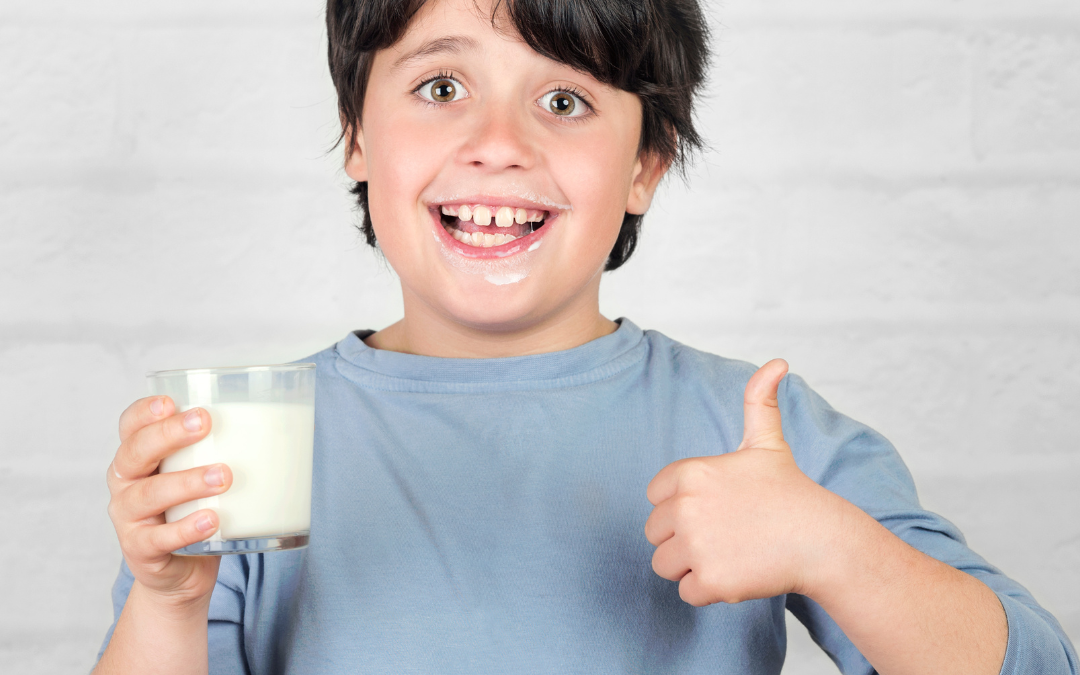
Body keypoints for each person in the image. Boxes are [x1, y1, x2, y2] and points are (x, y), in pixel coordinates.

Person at [93, 0, 1078, 673]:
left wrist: (835, 549)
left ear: (646, 163)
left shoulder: (755, 432)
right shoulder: (246, 444)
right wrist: (169, 602)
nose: (500, 142)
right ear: (356, 134)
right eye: (441, 88)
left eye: (564, 101)